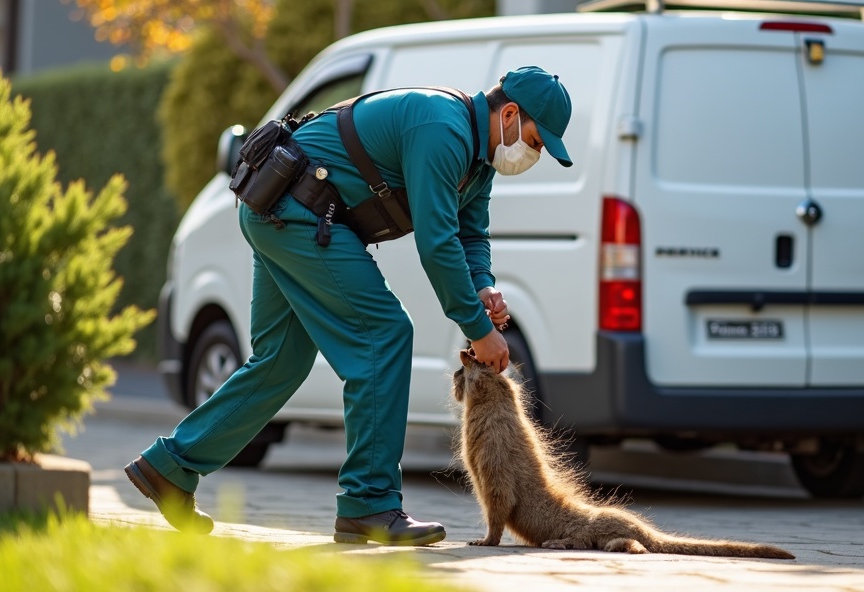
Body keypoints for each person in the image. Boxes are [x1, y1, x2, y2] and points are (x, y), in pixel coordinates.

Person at [124, 66, 573, 546]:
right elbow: (437, 243)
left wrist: (482, 289)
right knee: (385, 335)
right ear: (508, 113)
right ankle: (369, 503)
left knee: (280, 360)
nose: (534, 152)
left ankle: (169, 467)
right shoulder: (442, 131)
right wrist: (478, 329)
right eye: (535, 139)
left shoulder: (478, 161)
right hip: (297, 210)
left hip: (281, 210)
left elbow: (469, 234)